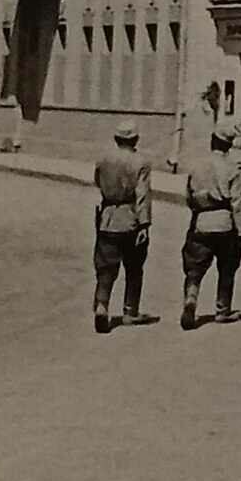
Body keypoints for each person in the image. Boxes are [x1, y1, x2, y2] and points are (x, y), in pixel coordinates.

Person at [92, 119, 157, 334]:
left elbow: (97, 182)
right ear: (135, 139)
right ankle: (130, 311)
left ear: (116, 138)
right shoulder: (141, 162)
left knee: (105, 266)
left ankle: (102, 305)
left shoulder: (103, 159)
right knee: (134, 266)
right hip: (130, 220)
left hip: (107, 218)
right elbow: (142, 195)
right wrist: (144, 224)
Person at [182, 122, 241, 329]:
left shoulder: (197, 165)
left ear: (212, 141)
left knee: (194, 267)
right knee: (227, 267)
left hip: (202, 222)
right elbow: (237, 203)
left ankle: (191, 298)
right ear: (228, 146)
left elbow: (189, 198)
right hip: (225, 224)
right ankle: (223, 309)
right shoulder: (232, 169)